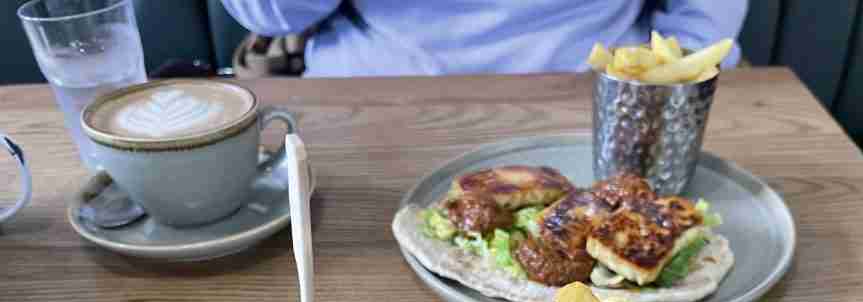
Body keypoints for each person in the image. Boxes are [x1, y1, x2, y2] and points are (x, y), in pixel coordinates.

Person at [220, 1, 748, 77]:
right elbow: (269, 12)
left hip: (590, 99)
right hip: (366, 96)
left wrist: (642, 98)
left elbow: (702, 28)